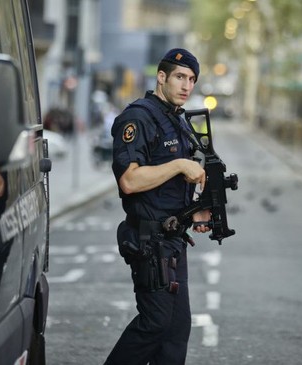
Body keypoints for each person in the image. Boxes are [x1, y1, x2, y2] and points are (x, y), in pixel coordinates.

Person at [105, 48, 211, 365]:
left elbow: (176, 188)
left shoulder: (178, 122)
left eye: (192, 79)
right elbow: (130, 180)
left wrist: (199, 211)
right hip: (150, 242)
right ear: (161, 77)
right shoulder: (138, 117)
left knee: (176, 333)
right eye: (179, 77)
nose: (186, 85)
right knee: (155, 324)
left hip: (174, 241)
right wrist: (179, 165)